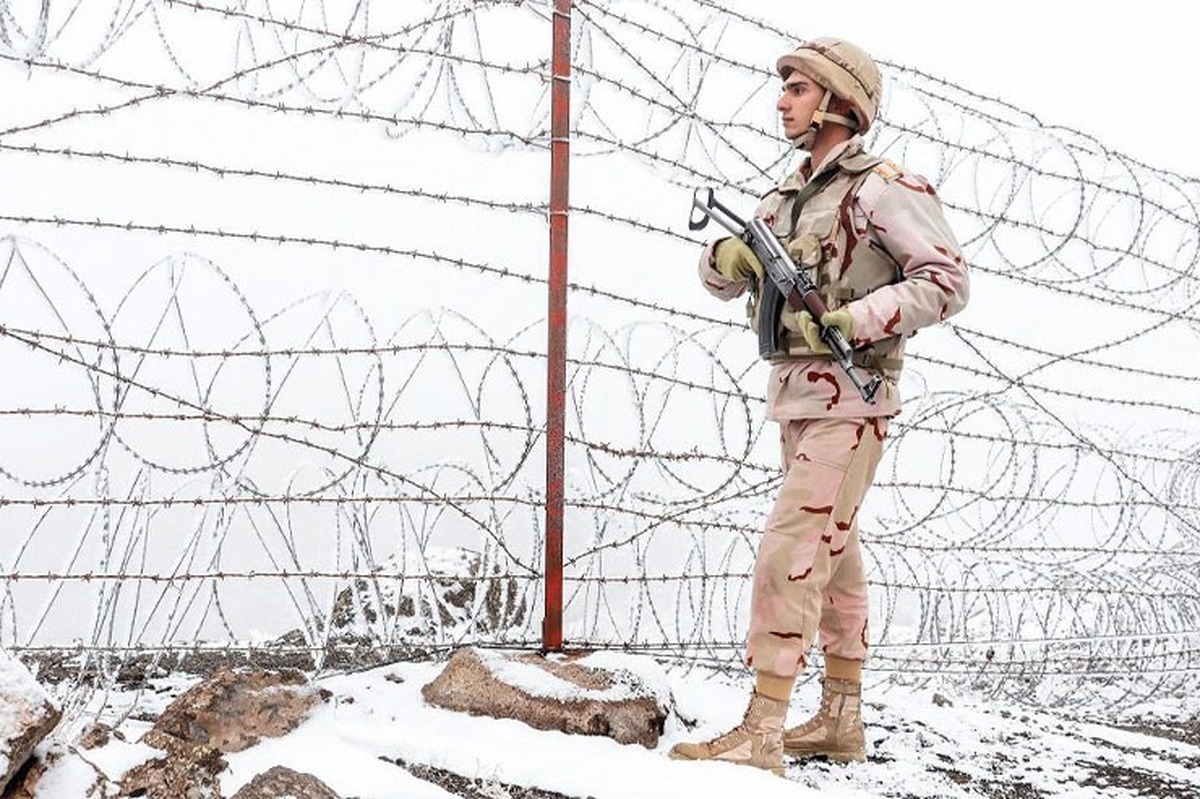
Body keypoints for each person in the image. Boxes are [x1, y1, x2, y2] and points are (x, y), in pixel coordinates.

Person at [669, 37, 970, 775]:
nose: (782, 101)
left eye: (798, 89)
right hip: (796, 397)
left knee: (792, 548)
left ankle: (762, 725)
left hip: (853, 396)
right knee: (834, 556)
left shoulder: (881, 188)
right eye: (787, 89)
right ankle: (840, 716)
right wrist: (727, 258)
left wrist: (859, 318)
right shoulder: (788, 195)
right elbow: (717, 278)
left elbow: (947, 281)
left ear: (839, 103)